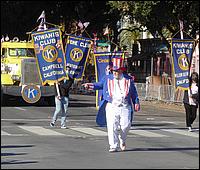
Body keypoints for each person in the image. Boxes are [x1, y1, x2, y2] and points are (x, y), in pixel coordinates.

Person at [82, 57, 140, 152]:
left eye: (117, 71)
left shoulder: (128, 80)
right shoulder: (107, 78)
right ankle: (113, 145)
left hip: (125, 106)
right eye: (114, 71)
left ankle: (122, 139)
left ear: (121, 70)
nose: (115, 73)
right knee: (112, 125)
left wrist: (136, 102)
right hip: (112, 105)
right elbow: (99, 85)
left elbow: (134, 93)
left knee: (126, 125)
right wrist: (90, 85)